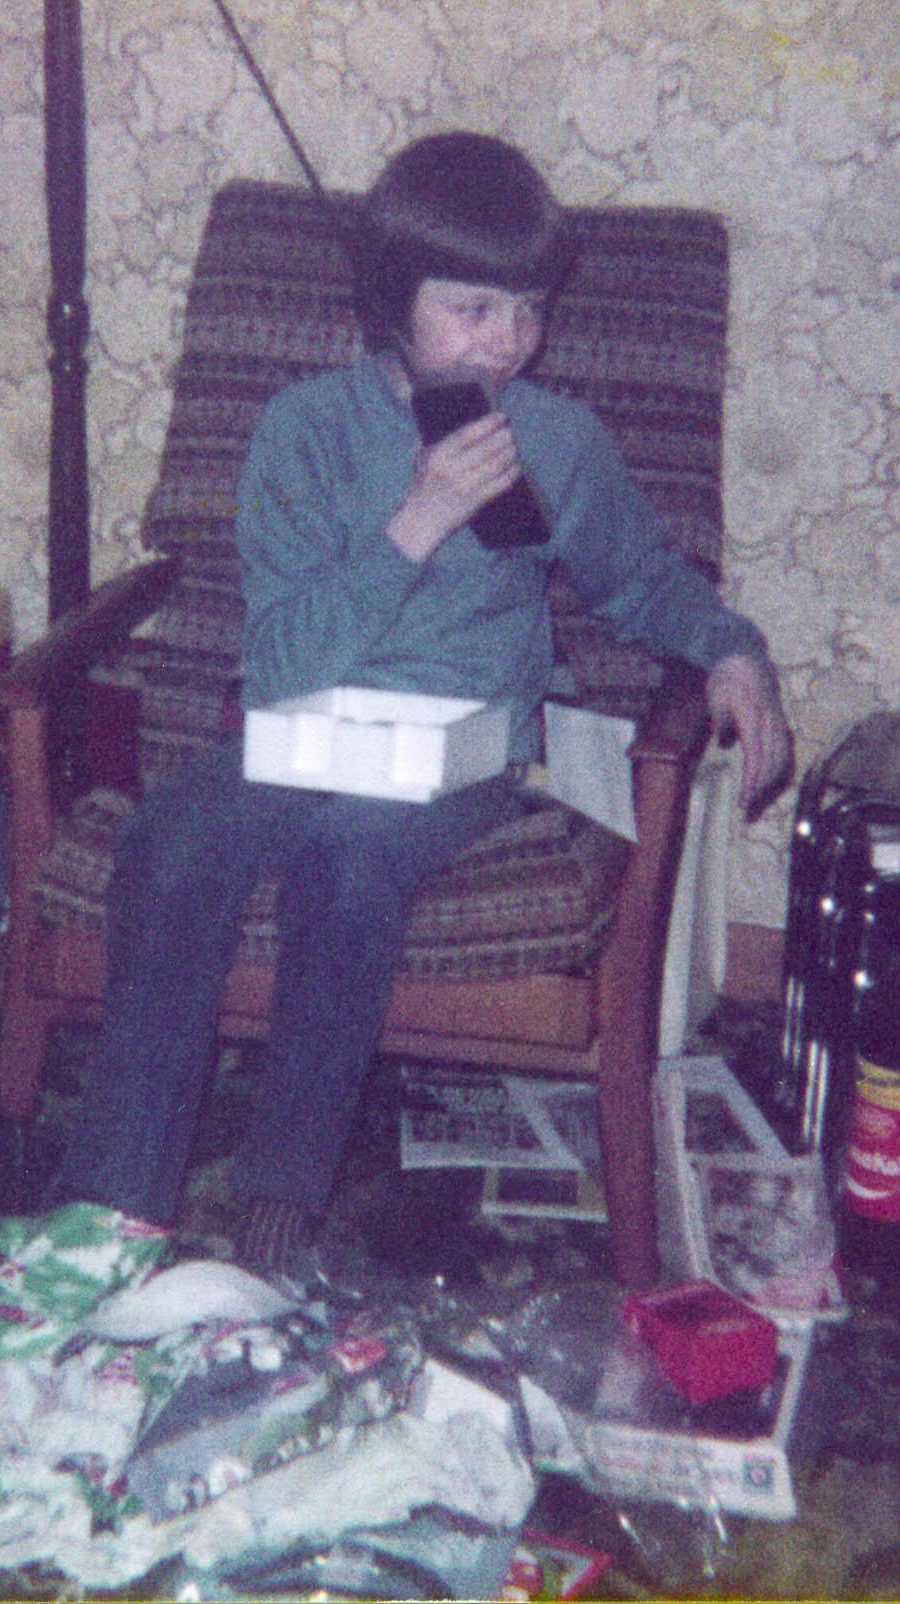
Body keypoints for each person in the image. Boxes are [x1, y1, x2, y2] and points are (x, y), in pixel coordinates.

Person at [48, 132, 792, 1276]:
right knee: (172, 839)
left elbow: (639, 580)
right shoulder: (302, 429)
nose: (506, 342)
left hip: (466, 755)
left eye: (528, 310)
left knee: (350, 865)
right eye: (472, 308)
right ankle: (111, 1210)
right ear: (393, 304)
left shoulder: (553, 438)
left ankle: (277, 1202)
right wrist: (417, 517)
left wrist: (733, 651)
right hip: (302, 726)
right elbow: (283, 660)